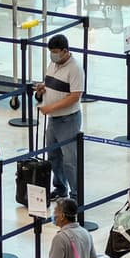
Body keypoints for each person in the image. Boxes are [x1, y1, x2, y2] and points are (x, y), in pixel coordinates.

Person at [35, 34, 85, 201]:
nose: (53, 55)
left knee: (70, 160)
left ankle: (76, 193)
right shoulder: (53, 63)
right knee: (53, 155)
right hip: (53, 120)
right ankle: (60, 187)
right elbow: (51, 83)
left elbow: (75, 96)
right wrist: (44, 88)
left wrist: (51, 108)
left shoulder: (75, 68)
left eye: (56, 52)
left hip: (68, 120)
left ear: (65, 51)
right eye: (51, 52)